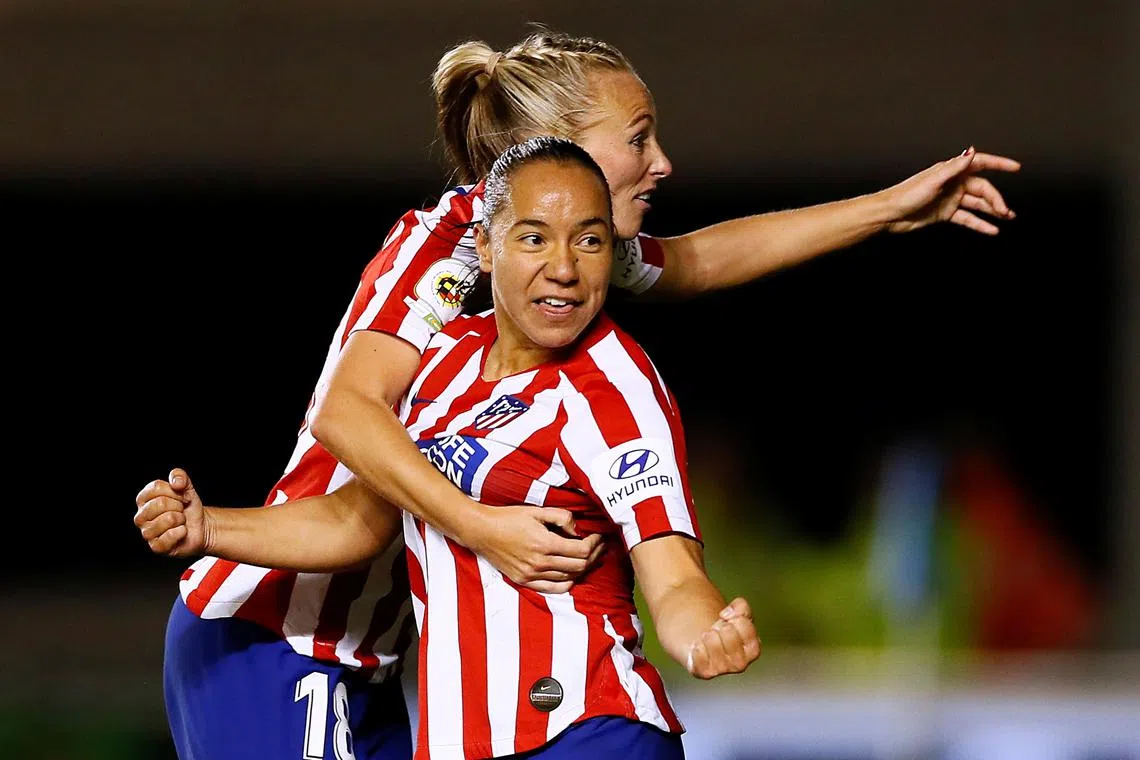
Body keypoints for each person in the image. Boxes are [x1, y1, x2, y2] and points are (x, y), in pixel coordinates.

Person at [137, 27, 1020, 760]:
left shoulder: (559, 267)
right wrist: (482, 526)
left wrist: (889, 209)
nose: (661, 162)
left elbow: (702, 260)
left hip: (375, 652)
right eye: (638, 137)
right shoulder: (445, 251)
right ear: (551, 146)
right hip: (280, 627)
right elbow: (347, 414)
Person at [137, 135, 763, 759]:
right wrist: (207, 526)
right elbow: (355, 522)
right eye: (534, 238)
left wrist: (703, 635)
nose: (565, 268)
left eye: (590, 242)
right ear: (485, 247)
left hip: (587, 730)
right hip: (462, 742)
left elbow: (672, 574)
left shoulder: (616, 389)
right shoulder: (444, 361)